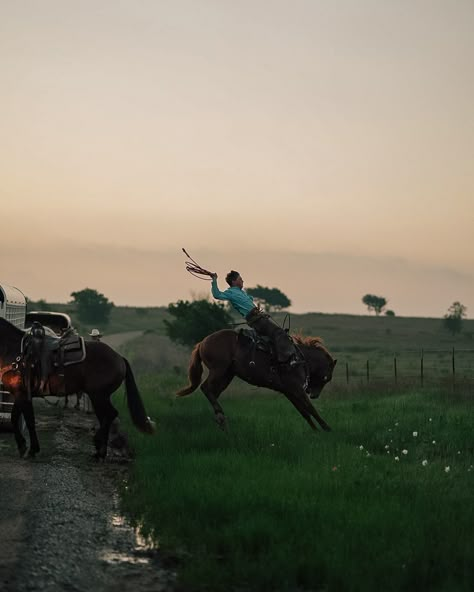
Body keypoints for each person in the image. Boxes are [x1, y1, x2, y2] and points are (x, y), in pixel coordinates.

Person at [211, 270, 302, 368]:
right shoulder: (230, 293)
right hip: (256, 320)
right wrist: (214, 280)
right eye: (240, 279)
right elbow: (217, 295)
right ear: (233, 282)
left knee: (272, 336)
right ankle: (288, 359)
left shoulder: (242, 293)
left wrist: (261, 314)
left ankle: (275, 358)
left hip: (258, 318)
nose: (243, 281)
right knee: (279, 332)